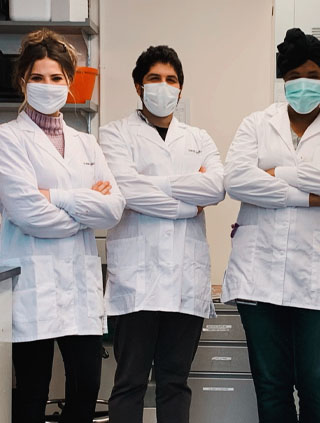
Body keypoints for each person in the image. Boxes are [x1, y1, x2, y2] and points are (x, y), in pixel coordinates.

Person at [222, 28, 320, 423]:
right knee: (271, 385)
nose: (305, 85)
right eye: (294, 78)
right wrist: (304, 194)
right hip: (259, 274)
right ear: (283, 81)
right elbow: (235, 180)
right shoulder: (256, 124)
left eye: (314, 76)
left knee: (318, 383)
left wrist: (273, 172)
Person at [0, 29, 126, 423]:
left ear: (69, 84)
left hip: (79, 288)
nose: (47, 86)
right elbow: (27, 212)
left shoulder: (87, 143)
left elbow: (113, 209)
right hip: (34, 283)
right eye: (37, 77)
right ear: (22, 82)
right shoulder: (7, 138)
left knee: (85, 392)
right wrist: (85, 204)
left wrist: (56, 196)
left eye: (56, 78)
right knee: (32, 393)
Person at [99, 45, 225, 423]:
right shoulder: (114, 134)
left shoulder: (198, 138)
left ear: (181, 89)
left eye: (171, 80)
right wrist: (187, 203)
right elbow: (125, 189)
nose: (163, 86)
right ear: (139, 86)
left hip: (185, 280)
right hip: (137, 280)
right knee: (129, 383)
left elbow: (217, 187)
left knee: (175, 383)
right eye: (155, 78)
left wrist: (151, 186)